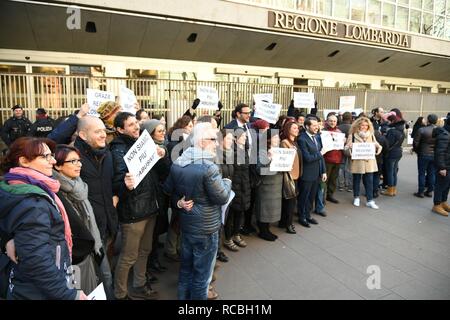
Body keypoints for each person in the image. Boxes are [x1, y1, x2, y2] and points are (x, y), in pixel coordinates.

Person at [0, 137, 87, 300]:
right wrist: (69, 294)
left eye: (51, 155)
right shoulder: (33, 202)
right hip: (38, 290)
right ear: (24, 161)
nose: (53, 160)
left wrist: (7, 239)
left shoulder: (18, 187)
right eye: (45, 157)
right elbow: (37, 261)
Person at [163, 122, 232, 300]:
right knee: (202, 277)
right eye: (213, 140)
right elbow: (223, 197)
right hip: (206, 228)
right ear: (201, 142)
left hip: (188, 226)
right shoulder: (209, 168)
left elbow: (168, 189)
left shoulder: (178, 162)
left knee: (186, 269)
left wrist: (179, 203)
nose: (217, 144)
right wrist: (227, 182)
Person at [110, 112, 165, 300]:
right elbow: (117, 184)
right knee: (128, 257)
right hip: (133, 212)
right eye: (131, 124)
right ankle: (120, 293)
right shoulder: (117, 150)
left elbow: (161, 173)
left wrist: (160, 155)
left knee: (144, 251)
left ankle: (139, 285)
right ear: (119, 129)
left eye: (136, 123)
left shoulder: (143, 143)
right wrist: (126, 184)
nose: (136, 127)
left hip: (149, 207)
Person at [73, 116, 117, 299]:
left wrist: (119, 192)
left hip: (107, 222)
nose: (103, 135)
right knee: (102, 276)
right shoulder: (73, 159)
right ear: (83, 135)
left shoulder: (107, 154)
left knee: (105, 273)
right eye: (97, 131)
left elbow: (113, 184)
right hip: (87, 230)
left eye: (104, 131)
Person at [53, 144, 103, 295]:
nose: (79, 164)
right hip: (74, 256)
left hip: (93, 247)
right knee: (77, 291)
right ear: (58, 166)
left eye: (79, 160)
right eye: (73, 161)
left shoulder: (79, 185)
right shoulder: (56, 191)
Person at [344, 117, 382, 209]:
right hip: (357, 162)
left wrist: (379, 148)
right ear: (358, 126)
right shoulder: (352, 135)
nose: (364, 127)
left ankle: (370, 200)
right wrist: (349, 147)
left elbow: (377, 144)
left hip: (369, 162)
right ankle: (356, 197)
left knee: (369, 181)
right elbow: (345, 150)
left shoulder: (371, 135)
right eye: (362, 125)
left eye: (366, 125)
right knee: (356, 180)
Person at [223, 129, 251, 251]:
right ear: (236, 138)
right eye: (243, 137)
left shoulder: (243, 151)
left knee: (240, 213)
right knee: (231, 215)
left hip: (244, 186)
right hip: (235, 187)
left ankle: (236, 234)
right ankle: (228, 238)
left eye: (245, 136)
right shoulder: (232, 152)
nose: (245, 139)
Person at [297, 118, 327, 228]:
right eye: (314, 125)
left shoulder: (317, 137)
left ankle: (308, 215)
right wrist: (320, 153)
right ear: (306, 126)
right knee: (304, 196)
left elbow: (320, 157)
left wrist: (323, 171)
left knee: (311, 196)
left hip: (317, 173)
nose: (316, 127)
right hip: (307, 173)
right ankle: (302, 217)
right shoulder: (302, 139)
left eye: (317, 125)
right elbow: (307, 158)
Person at [255, 131, 283, 241]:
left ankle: (267, 229)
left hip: (276, 183)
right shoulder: (263, 151)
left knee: (271, 208)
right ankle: (263, 231)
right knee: (264, 209)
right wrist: (269, 158)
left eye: (278, 138)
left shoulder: (279, 150)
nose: (278, 140)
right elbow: (259, 169)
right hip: (265, 184)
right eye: (275, 138)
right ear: (268, 139)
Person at [280, 121, 301, 234]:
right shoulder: (285, 142)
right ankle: (288, 223)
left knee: (290, 200)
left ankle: (284, 222)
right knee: (290, 201)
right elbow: (284, 160)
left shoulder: (294, 142)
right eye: (294, 128)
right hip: (290, 176)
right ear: (288, 130)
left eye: (297, 128)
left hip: (296, 174)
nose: (297, 130)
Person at [413, 114, 438, 198]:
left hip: (423, 154)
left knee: (422, 173)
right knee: (432, 173)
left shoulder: (422, 130)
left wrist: (418, 151)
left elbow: (415, 143)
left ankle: (421, 192)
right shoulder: (439, 130)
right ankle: (430, 191)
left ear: (428, 120)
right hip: (434, 155)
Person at [382, 112, 406, 197]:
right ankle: (393, 189)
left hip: (391, 153)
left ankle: (390, 190)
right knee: (394, 172)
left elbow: (388, 144)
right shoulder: (402, 131)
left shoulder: (392, 132)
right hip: (398, 152)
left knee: (390, 172)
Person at [322, 114, 344, 204]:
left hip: (337, 159)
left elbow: (341, 146)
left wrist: (344, 141)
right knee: (324, 180)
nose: (332, 123)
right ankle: (322, 197)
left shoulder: (339, 132)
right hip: (327, 159)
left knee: (333, 179)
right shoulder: (323, 132)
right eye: (331, 121)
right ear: (327, 121)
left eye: (334, 121)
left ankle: (330, 195)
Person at [431, 115, 450, 216]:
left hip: (448, 164)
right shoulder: (444, 135)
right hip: (444, 166)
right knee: (440, 185)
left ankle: (443, 202)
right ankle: (437, 204)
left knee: (446, 185)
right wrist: (442, 167)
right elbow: (440, 152)